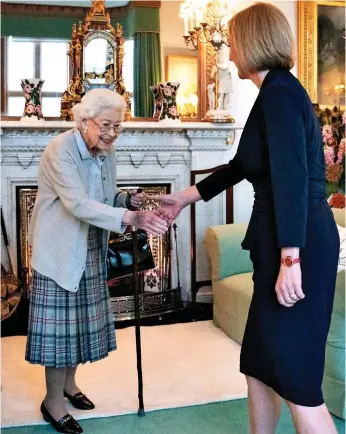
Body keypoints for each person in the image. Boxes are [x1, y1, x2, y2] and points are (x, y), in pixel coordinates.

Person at [151, 4, 339, 434]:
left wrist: (291, 260)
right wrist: (183, 197)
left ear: (253, 42)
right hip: (282, 242)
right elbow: (241, 166)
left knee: (297, 380)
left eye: (234, 41)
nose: (229, 50)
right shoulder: (272, 93)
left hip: (299, 246)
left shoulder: (281, 95)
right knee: (259, 361)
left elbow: (291, 178)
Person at [26, 88, 168, 434]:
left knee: (79, 327)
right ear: (84, 120)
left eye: (117, 127)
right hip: (59, 250)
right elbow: (77, 204)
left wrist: (129, 200)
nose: (111, 133)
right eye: (106, 125)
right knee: (59, 332)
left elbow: (104, 196)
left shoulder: (106, 152)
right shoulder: (60, 151)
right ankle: (53, 402)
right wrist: (130, 219)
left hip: (89, 246)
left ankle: (69, 386)